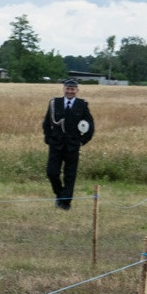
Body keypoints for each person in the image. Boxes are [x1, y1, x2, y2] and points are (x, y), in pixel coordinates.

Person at [42, 78, 95, 210]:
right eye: (68, 88)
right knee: (52, 173)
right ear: (63, 89)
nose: (70, 91)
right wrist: (48, 138)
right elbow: (46, 123)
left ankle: (65, 203)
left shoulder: (82, 105)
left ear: (77, 90)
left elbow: (90, 125)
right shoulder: (55, 103)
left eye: (72, 89)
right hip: (56, 144)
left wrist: (82, 141)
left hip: (72, 146)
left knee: (70, 175)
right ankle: (60, 194)